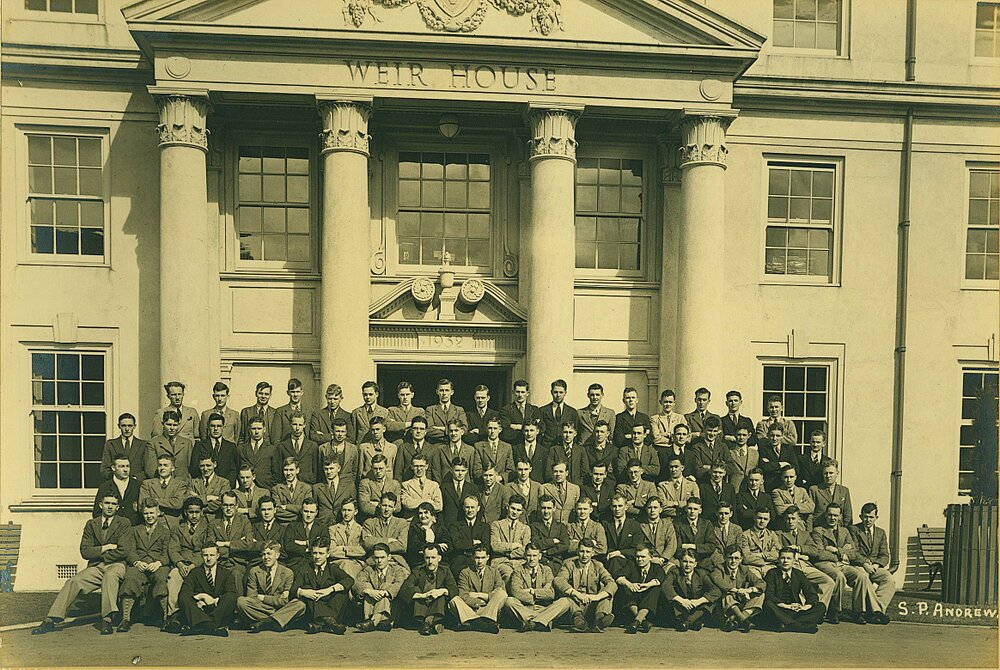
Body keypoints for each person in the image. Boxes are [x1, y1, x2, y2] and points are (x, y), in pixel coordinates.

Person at [32, 494, 130, 636]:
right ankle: (51, 619)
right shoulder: (92, 524)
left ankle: (107, 620)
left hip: (116, 565)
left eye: (113, 504)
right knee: (73, 581)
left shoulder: (124, 523)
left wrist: (99, 553)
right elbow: (85, 551)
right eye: (107, 503)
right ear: (100, 505)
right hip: (97, 566)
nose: (110, 506)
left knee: (110, 576)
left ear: (117, 507)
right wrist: (106, 547)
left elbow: (124, 550)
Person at [811, 502, 887, 624]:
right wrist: (843, 554)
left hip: (842, 564)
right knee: (839, 576)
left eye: (835, 515)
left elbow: (853, 552)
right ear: (825, 515)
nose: (832, 518)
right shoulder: (818, 531)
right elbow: (819, 553)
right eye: (830, 515)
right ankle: (834, 611)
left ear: (840, 517)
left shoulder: (844, 531)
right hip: (825, 564)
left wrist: (836, 550)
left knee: (861, 576)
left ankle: (858, 612)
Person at [266, 538, 355, 634]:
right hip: (313, 606)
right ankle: (329, 623)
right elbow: (294, 588)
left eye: (321, 553)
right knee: (306, 589)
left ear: (328, 554)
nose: (317, 557)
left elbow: (349, 580)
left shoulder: (332, 568)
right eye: (315, 553)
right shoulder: (305, 568)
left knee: (342, 590)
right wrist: (305, 592)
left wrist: (330, 589)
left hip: (330, 606)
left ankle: (321, 625)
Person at [117, 500, 171, 631]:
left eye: (152, 513)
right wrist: (136, 562)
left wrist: (158, 563)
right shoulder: (135, 530)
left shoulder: (165, 532)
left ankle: (166, 618)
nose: (149, 516)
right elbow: (130, 550)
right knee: (130, 578)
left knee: (161, 579)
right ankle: (125, 619)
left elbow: (167, 553)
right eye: (146, 513)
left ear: (158, 513)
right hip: (139, 564)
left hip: (157, 565)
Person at [776, 506, 837, 617]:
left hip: (805, 565)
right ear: (784, 519)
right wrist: (801, 556)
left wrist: (799, 548)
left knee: (828, 582)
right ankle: (802, 613)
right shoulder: (778, 534)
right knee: (797, 584)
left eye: (793, 518)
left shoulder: (805, 534)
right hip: (790, 566)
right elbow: (779, 551)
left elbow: (815, 550)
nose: (790, 521)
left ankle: (818, 611)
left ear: (799, 519)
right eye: (788, 518)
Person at [164, 497, 212, 626]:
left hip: (200, 564)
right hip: (182, 564)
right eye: (191, 512)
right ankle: (174, 615)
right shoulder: (177, 529)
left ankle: (199, 614)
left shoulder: (208, 528)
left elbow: (208, 548)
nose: (194, 515)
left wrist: (194, 565)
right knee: (174, 576)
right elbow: (173, 549)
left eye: (197, 512)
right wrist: (179, 564)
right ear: (185, 512)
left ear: (202, 512)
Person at [553, 538, 617, 632]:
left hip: (592, 604)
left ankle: (600, 620)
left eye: (588, 552)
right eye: (582, 551)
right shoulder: (569, 564)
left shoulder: (598, 565)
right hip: (576, 603)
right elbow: (558, 580)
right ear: (577, 551)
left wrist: (597, 597)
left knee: (607, 594)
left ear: (593, 553)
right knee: (568, 599)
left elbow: (612, 583)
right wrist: (576, 594)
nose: (585, 555)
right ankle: (579, 620)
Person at [172, 544, 237, 636]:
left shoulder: (226, 573)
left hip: (217, 610)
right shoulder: (194, 572)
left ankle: (201, 625)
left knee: (231, 597)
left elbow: (232, 593)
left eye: (212, 555)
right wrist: (201, 596)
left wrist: (214, 601)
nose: (209, 558)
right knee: (184, 598)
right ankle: (211, 627)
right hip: (199, 609)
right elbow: (184, 593)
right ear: (201, 556)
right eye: (206, 555)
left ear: (218, 556)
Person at [762, 546, 825, 633]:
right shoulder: (772, 573)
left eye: (789, 558)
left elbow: (811, 594)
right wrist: (786, 606)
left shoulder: (799, 574)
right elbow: (769, 595)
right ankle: (799, 626)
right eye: (783, 558)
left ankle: (787, 625)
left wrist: (804, 607)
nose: (785, 561)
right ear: (778, 559)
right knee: (768, 604)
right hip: (780, 609)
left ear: (794, 560)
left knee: (821, 606)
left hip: (796, 611)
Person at [400, 544, 457, 635]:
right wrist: (422, 595)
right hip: (421, 606)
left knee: (440, 596)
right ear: (424, 558)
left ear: (439, 558)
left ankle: (427, 623)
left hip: (439, 606)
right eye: (427, 558)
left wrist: (441, 591)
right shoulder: (418, 570)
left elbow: (454, 589)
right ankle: (434, 624)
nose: (430, 561)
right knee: (417, 590)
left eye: (433, 557)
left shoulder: (445, 571)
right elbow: (404, 590)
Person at [851, 502, 895, 619]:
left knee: (889, 579)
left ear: (876, 517)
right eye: (865, 517)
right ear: (860, 516)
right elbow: (854, 552)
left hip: (875, 567)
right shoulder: (854, 529)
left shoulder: (881, 533)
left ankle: (878, 609)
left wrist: (876, 565)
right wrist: (865, 564)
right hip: (859, 565)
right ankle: (868, 612)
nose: (868, 520)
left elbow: (885, 555)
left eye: (871, 517)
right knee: (863, 576)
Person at [504, 543, 561, 632]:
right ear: (524, 556)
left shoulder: (546, 570)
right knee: (509, 601)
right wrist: (539, 596)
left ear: (540, 556)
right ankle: (540, 621)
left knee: (564, 602)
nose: (531, 559)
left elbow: (551, 594)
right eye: (529, 555)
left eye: (534, 556)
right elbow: (516, 592)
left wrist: (532, 591)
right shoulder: (518, 570)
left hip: (543, 608)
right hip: (524, 608)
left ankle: (530, 621)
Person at [449, 545, 507, 633]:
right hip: (470, 609)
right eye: (477, 558)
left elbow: (500, 591)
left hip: (488, 608)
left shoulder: (494, 572)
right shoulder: (465, 572)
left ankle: (474, 623)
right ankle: (484, 624)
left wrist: (479, 595)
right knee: (454, 600)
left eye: (483, 558)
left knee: (502, 594)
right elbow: (463, 595)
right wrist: (479, 602)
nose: (480, 561)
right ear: (472, 557)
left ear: (488, 557)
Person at [239, 540, 294, 630]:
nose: (265, 557)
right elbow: (251, 597)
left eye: (269, 554)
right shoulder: (254, 571)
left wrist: (263, 598)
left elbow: (285, 601)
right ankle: (276, 621)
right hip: (263, 608)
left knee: (300, 605)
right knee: (241, 601)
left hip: (280, 608)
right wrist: (276, 600)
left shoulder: (287, 573)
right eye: (263, 554)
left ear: (277, 555)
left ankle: (265, 622)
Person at [354, 543, 407, 632]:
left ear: (389, 557)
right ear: (373, 558)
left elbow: (400, 584)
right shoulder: (368, 569)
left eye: (382, 557)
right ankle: (382, 621)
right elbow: (358, 583)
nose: (379, 561)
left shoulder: (397, 570)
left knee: (385, 587)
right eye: (376, 558)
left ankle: (372, 622)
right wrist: (369, 591)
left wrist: (385, 592)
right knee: (367, 587)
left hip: (392, 607)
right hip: (371, 605)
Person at [711, 544, 764, 632]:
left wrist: (748, 590)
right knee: (727, 594)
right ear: (724, 558)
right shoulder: (718, 568)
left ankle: (737, 620)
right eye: (730, 558)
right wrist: (738, 591)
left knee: (760, 595)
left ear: (741, 559)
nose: (733, 561)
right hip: (724, 606)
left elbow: (761, 583)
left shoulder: (744, 569)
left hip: (740, 602)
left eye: (736, 558)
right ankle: (744, 621)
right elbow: (719, 581)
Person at [662, 549, 719, 631]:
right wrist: (681, 600)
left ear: (695, 564)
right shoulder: (674, 572)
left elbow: (715, 590)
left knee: (710, 601)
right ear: (680, 562)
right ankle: (693, 622)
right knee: (671, 600)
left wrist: (699, 601)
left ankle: (688, 622)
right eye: (685, 561)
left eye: (691, 562)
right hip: (681, 607)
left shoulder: (701, 574)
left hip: (697, 607)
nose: (688, 565)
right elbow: (665, 586)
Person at [210, 491, 254, 594]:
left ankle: (238, 602)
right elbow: (210, 547)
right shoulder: (213, 523)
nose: (228, 508)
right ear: (221, 505)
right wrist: (238, 545)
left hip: (238, 563)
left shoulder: (244, 521)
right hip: (220, 563)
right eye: (225, 505)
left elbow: (249, 544)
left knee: (236, 575)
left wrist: (226, 544)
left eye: (231, 505)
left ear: (237, 506)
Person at [615, 543, 665, 633]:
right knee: (624, 587)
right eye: (637, 557)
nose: (639, 559)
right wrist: (629, 584)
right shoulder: (631, 565)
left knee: (655, 588)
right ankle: (642, 621)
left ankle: (637, 621)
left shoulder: (656, 567)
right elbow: (619, 577)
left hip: (648, 602)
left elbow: (660, 578)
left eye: (643, 557)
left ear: (651, 557)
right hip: (633, 600)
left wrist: (648, 585)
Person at [443, 495, 490, 578]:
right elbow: (457, 544)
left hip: (477, 560)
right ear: (463, 508)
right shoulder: (455, 526)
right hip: (460, 560)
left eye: (472, 507)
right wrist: (473, 542)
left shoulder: (484, 527)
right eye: (467, 507)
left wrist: (465, 544)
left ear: (478, 508)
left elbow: (485, 546)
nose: (470, 510)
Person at [361, 492, 410, 572]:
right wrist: (388, 540)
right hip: (375, 561)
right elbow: (367, 542)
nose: (387, 509)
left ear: (394, 508)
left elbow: (402, 546)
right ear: (379, 505)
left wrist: (375, 540)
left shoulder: (402, 523)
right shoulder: (369, 523)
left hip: (394, 561)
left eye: (390, 506)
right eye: (384, 505)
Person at [101, 413, 155, 481]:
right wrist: (118, 478)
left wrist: (134, 479)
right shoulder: (110, 444)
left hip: (137, 484)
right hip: (116, 484)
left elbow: (147, 470)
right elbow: (104, 469)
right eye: (123, 426)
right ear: (119, 426)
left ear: (134, 426)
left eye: (130, 426)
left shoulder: (143, 445)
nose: (127, 429)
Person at [139, 454, 189, 524]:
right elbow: (143, 504)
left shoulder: (180, 484)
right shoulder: (147, 484)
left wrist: (155, 500)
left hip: (173, 523)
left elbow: (177, 503)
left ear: (172, 468)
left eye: (165, 465)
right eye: (160, 465)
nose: (162, 468)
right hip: (153, 523)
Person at [490, 494, 531, 579]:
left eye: (518, 510)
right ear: (507, 507)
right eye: (513, 508)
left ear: (522, 512)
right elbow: (495, 546)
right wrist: (513, 545)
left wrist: (509, 553)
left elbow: (526, 550)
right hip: (501, 562)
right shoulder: (496, 525)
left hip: (519, 563)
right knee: (509, 574)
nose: (515, 512)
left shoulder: (525, 528)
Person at [282, 499, 329, 572]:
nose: (308, 515)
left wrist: (305, 542)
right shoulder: (292, 526)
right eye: (306, 511)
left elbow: (325, 544)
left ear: (316, 513)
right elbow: (288, 545)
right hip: (295, 564)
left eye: (312, 512)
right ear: (301, 511)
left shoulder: (322, 527)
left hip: (314, 563)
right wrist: (307, 549)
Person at [602, 494, 642, 577]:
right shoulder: (605, 524)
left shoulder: (635, 525)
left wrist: (620, 553)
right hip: (610, 559)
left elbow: (637, 548)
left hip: (628, 560)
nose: (617, 509)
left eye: (620, 506)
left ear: (626, 506)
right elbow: (603, 545)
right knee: (615, 561)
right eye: (614, 506)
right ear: (611, 508)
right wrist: (613, 554)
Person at [93, 456, 142, 525]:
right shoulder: (105, 487)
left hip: (133, 528)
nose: (125, 470)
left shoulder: (138, 485)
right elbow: (97, 513)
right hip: (113, 529)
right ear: (113, 468)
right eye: (121, 466)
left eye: (127, 466)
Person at [274, 411, 320, 485]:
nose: (297, 428)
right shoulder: (282, 446)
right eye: (294, 424)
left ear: (304, 425)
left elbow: (317, 470)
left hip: (308, 485)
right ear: (290, 424)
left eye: (300, 425)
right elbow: (278, 471)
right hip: (287, 485)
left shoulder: (313, 446)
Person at [673, 497, 718, 571]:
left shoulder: (707, 524)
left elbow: (711, 546)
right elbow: (677, 548)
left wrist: (694, 546)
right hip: (685, 562)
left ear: (700, 511)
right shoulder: (678, 524)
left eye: (695, 509)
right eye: (690, 508)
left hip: (703, 562)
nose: (692, 511)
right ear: (686, 509)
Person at [150, 410, 195, 481]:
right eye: (168, 424)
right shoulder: (153, 443)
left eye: (175, 425)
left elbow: (191, 468)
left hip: (183, 483)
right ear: (163, 424)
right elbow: (151, 470)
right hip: (162, 483)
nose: (172, 428)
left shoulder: (187, 443)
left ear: (179, 425)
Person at [529, 494, 569, 573]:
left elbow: (565, 545)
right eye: (543, 508)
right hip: (540, 561)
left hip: (557, 561)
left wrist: (547, 552)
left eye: (549, 508)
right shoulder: (534, 526)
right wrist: (552, 541)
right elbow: (535, 544)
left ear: (554, 508)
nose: (546, 511)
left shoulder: (561, 527)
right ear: (539, 508)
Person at [739, 508, 781, 580]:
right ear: (754, 518)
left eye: (765, 519)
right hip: (752, 567)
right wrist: (767, 559)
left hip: (770, 567)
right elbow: (746, 558)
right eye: (759, 518)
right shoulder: (745, 535)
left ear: (769, 520)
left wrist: (760, 555)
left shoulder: (772, 534)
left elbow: (778, 554)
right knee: (757, 582)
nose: (762, 521)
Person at [327, 500, 366, 578]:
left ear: (356, 512)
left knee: (348, 564)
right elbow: (331, 551)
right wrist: (353, 552)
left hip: (356, 563)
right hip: (337, 562)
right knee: (346, 564)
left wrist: (344, 548)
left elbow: (363, 551)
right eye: (344, 510)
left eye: (349, 510)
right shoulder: (333, 529)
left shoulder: (361, 529)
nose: (346, 513)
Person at [237, 416, 277, 490]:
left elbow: (276, 472)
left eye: (259, 428)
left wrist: (271, 485)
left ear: (264, 429)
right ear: (249, 430)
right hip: (245, 489)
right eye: (253, 428)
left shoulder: (272, 449)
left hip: (266, 488)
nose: (256, 432)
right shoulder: (241, 449)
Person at [810, 458, 853, 526]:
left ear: (837, 473)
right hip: (820, 527)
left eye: (831, 473)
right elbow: (810, 514)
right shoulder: (815, 490)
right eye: (825, 473)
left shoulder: (844, 491)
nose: (828, 476)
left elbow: (848, 515)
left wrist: (844, 530)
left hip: (838, 528)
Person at [313, 459, 355, 527]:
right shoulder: (317, 488)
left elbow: (354, 508)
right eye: (326, 469)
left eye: (331, 468)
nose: (328, 472)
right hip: (322, 526)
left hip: (341, 526)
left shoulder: (349, 487)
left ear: (338, 468)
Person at [473, 416, 515, 484]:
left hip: (501, 484)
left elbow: (510, 470)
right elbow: (477, 471)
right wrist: (489, 478)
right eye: (490, 428)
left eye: (495, 428)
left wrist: (500, 478)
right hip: (485, 484)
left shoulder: (507, 447)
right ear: (486, 429)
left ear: (500, 430)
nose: (492, 431)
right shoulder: (479, 446)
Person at [771, 464, 815, 530]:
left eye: (791, 477)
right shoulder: (777, 492)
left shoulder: (802, 491)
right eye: (786, 477)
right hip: (785, 528)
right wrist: (801, 505)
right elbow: (779, 510)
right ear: (781, 477)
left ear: (795, 477)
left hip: (802, 528)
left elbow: (811, 507)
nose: (789, 480)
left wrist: (790, 506)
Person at [394, 415, 436, 483]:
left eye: (421, 429)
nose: (418, 431)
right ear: (411, 430)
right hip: (407, 486)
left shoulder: (433, 449)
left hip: (427, 486)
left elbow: (436, 473)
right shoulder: (403, 447)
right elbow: (398, 473)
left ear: (425, 431)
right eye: (415, 428)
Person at [758, 423, 799, 492]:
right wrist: (781, 464)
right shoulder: (763, 450)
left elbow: (796, 468)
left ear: (782, 436)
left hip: (785, 486)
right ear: (768, 435)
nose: (774, 438)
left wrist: (771, 465)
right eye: (772, 435)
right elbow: (764, 467)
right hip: (770, 486)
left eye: (778, 436)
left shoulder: (788, 449)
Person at [499, 379, 541, 446]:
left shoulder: (535, 410)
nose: (520, 395)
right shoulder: (506, 410)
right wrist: (528, 429)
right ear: (513, 392)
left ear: (527, 393)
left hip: (530, 446)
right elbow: (505, 433)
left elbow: (541, 428)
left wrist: (515, 426)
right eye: (517, 392)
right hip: (513, 445)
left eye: (523, 392)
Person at [424, 378, 467, 445]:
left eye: (447, 390)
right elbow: (428, 431)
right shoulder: (430, 409)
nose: (444, 393)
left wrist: (444, 429)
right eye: (441, 390)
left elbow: (464, 429)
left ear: (452, 392)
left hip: (454, 445)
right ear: (437, 392)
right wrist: (454, 431)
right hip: (436, 446)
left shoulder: (459, 410)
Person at [358, 454, 402, 518]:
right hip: (371, 520)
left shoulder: (395, 484)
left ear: (386, 467)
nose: (378, 471)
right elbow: (365, 507)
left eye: (380, 468)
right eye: (375, 469)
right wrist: (389, 506)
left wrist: (376, 504)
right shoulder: (365, 483)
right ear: (372, 468)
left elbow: (398, 507)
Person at [538, 379, 579, 448]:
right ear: (551, 392)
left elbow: (576, 433)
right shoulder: (542, 410)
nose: (558, 395)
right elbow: (539, 432)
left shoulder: (572, 412)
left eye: (561, 392)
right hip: (547, 447)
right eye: (555, 392)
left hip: (564, 448)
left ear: (565, 393)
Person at [319, 418, 360, 486]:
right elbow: (320, 470)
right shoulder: (322, 448)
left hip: (347, 485)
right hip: (328, 485)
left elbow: (355, 471)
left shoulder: (353, 449)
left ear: (346, 432)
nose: (340, 434)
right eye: (337, 431)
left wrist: (350, 484)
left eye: (342, 431)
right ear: (332, 432)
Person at [271, 457, 313, 524]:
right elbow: (276, 511)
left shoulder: (306, 488)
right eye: (286, 470)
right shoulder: (276, 489)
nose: (288, 473)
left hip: (300, 525)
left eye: (291, 470)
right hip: (282, 525)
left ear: (297, 470)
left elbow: (308, 509)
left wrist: (286, 507)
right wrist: (299, 515)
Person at [657, 455, 700, 519]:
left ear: (682, 468)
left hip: (686, 520)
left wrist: (676, 503)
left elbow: (695, 504)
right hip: (668, 520)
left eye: (676, 467)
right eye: (671, 467)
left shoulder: (692, 485)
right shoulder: (662, 486)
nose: (673, 469)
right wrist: (684, 505)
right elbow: (662, 506)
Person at [686, 417, 727, 483]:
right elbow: (698, 470)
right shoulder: (696, 447)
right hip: (704, 483)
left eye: (715, 431)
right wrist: (720, 468)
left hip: (720, 483)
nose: (712, 434)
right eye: (709, 430)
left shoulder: (723, 446)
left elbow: (731, 466)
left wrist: (709, 467)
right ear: (704, 430)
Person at [270, 378, 310, 445]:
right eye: (293, 392)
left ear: (302, 393)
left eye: (298, 392)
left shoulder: (309, 411)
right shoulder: (280, 412)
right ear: (288, 393)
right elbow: (276, 438)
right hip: (285, 448)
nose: (295, 395)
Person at [639, 497, 676, 567]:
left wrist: (662, 558)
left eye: (655, 507)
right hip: (646, 560)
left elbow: (671, 544)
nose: (652, 510)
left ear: (660, 510)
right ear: (646, 509)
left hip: (665, 560)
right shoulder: (641, 525)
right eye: (650, 508)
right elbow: (639, 544)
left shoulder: (667, 523)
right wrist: (650, 558)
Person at [440, 458, 479, 524]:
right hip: (448, 526)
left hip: (466, 526)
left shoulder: (473, 488)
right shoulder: (444, 488)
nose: (460, 473)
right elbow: (441, 510)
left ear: (466, 471)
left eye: (463, 470)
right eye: (457, 470)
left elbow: (479, 509)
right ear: (451, 470)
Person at [359, 416, 395, 484]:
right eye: (373, 430)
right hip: (369, 484)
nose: (375, 432)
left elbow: (394, 469)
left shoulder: (393, 448)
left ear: (384, 429)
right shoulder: (363, 448)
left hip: (387, 484)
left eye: (377, 429)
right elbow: (360, 471)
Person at [352, 380, 390, 445]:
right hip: (361, 446)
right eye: (365, 394)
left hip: (378, 447)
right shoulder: (356, 412)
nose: (367, 397)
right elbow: (353, 435)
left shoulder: (384, 412)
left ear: (377, 394)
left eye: (370, 394)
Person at [709, 502, 743, 569]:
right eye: (721, 513)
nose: (723, 516)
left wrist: (731, 562)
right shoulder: (710, 528)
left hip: (733, 563)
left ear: (731, 514)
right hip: (715, 564)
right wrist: (723, 563)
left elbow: (739, 548)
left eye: (726, 513)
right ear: (716, 513)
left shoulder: (737, 529)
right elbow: (711, 549)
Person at [406, 502, 441, 569]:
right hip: (420, 561)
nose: (423, 516)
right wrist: (437, 545)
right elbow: (414, 546)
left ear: (431, 514)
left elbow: (448, 546)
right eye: (420, 513)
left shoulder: (439, 528)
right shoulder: (415, 528)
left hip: (439, 562)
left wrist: (424, 548)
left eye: (426, 512)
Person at [725, 426, 759, 494]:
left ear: (749, 435)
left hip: (750, 490)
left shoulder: (755, 453)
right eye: (739, 435)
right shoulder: (729, 453)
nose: (741, 437)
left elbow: (758, 473)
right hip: (734, 490)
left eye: (744, 435)